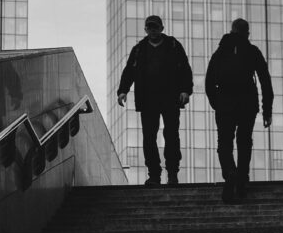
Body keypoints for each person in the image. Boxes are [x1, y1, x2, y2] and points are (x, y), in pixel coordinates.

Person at [117, 15, 193, 187]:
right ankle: (154, 175)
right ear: (146, 29)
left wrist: (185, 90)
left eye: (155, 27)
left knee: (171, 135)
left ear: (161, 28)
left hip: (170, 98)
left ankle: (172, 173)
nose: (153, 30)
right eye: (150, 27)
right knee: (149, 138)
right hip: (148, 99)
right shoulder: (139, 49)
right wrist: (123, 91)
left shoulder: (173, 46)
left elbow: (185, 69)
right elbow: (129, 71)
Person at [205, 18, 273, 203]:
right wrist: (267, 110)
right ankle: (242, 178)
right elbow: (265, 81)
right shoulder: (252, 51)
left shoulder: (220, 52)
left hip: (225, 102)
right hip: (247, 103)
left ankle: (230, 172)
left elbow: (209, 81)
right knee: (244, 141)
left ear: (232, 30)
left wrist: (216, 102)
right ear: (247, 33)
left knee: (224, 142)